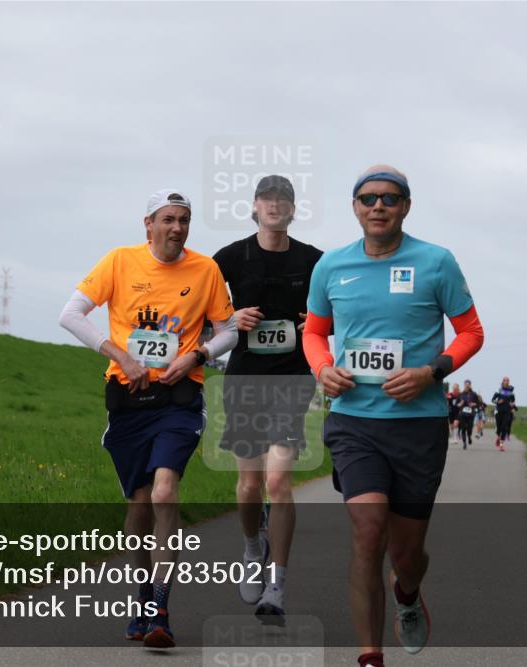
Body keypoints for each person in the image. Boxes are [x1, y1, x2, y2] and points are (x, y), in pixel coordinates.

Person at [303, 165, 484, 667]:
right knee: (367, 529)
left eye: (389, 198)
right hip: (354, 420)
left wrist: (431, 371)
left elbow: (471, 332)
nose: (377, 206)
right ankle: (369, 656)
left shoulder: (435, 262)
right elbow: (315, 332)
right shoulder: (332, 267)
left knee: (407, 554)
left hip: (418, 425)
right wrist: (323, 369)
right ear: (355, 207)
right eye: (367, 198)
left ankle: (407, 593)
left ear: (406, 206)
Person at [58, 189, 238, 649]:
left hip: (179, 396)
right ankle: (140, 598)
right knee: (138, 505)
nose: (177, 228)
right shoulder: (120, 261)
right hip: (128, 395)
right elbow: (71, 314)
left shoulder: (206, 270)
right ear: (149, 224)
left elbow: (229, 330)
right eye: (169, 219)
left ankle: (160, 606)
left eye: (184, 220)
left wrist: (196, 354)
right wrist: (120, 355)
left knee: (164, 490)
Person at [212, 175, 323, 625]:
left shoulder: (314, 261)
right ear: (254, 207)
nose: (276, 206)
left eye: (284, 200)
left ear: (293, 210)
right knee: (249, 486)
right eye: (268, 199)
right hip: (245, 379)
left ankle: (276, 585)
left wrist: (316, 323)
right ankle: (252, 545)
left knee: (278, 483)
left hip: (292, 379)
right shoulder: (229, 258)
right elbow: (203, 317)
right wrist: (231, 319)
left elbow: (335, 317)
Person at [492, 377, 517, 451]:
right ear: (502, 382)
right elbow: (492, 400)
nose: (506, 382)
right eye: (505, 381)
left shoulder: (511, 392)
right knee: (499, 428)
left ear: (509, 382)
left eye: (507, 381)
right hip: (498, 411)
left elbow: (513, 401)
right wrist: (497, 402)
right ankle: (498, 437)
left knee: (504, 427)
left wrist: (512, 404)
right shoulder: (498, 390)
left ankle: (501, 445)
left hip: (507, 411)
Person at [455, 380, 480, 449]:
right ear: (464, 386)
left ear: (470, 386)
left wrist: (473, 404)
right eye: (466, 385)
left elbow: (478, 403)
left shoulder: (473, 394)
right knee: (463, 428)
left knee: (469, 428)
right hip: (462, 414)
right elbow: (456, 404)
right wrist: (460, 404)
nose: (467, 386)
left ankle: (469, 436)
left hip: (471, 414)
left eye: (468, 385)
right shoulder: (461, 394)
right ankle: (464, 443)